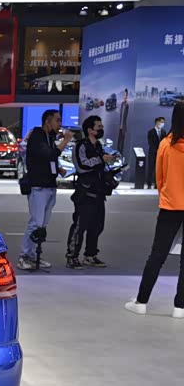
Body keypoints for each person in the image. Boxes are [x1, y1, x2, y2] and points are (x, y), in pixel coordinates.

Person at [126, 100, 184, 319]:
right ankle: (180, 306)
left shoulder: (166, 145)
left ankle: (141, 301)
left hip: (170, 206)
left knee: (157, 255)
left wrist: (166, 197)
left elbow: (159, 178)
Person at [16, 109, 75, 270]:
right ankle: (24, 256)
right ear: (47, 122)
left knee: (42, 224)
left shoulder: (49, 137)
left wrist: (58, 168)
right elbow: (49, 154)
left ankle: (34, 255)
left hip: (49, 185)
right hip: (38, 187)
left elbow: (48, 159)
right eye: (57, 120)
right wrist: (66, 140)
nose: (60, 124)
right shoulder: (37, 136)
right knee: (35, 223)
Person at [64, 115, 117, 270]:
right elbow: (81, 166)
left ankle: (90, 255)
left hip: (99, 192)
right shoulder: (80, 145)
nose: (101, 129)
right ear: (90, 130)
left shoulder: (99, 145)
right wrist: (101, 160)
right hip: (85, 193)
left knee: (97, 226)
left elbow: (99, 166)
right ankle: (72, 256)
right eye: (98, 127)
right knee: (80, 226)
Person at [146, 116, 167, 189]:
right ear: (157, 122)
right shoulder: (151, 132)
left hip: (161, 154)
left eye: (163, 122)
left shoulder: (164, 132)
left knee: (158, 170)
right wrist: (157, 150)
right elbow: (150, 143)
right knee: (151, 169)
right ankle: (149, 184)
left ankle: (156, 184)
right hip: (153, 153)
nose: (163, 123)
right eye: (161, 122)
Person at [117, 88, 129, 154]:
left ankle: (121, 153)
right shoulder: (122, 104)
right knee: (119, 141)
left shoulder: (126, 105)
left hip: (123, 127)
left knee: (122, 141)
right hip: (120, 126)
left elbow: (126, 107)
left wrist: (126, 101)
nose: (124, 97)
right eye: (124, 95)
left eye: (125, 95)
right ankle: (117, 152)